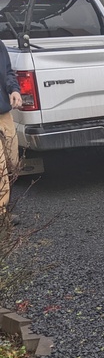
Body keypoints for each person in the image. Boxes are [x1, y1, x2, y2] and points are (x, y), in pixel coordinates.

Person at [0, 38, 21, 224]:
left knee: (12, 160)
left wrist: (14, 89)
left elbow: (7, 72)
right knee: (0, 166)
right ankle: (2, 214)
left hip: (3, 112)